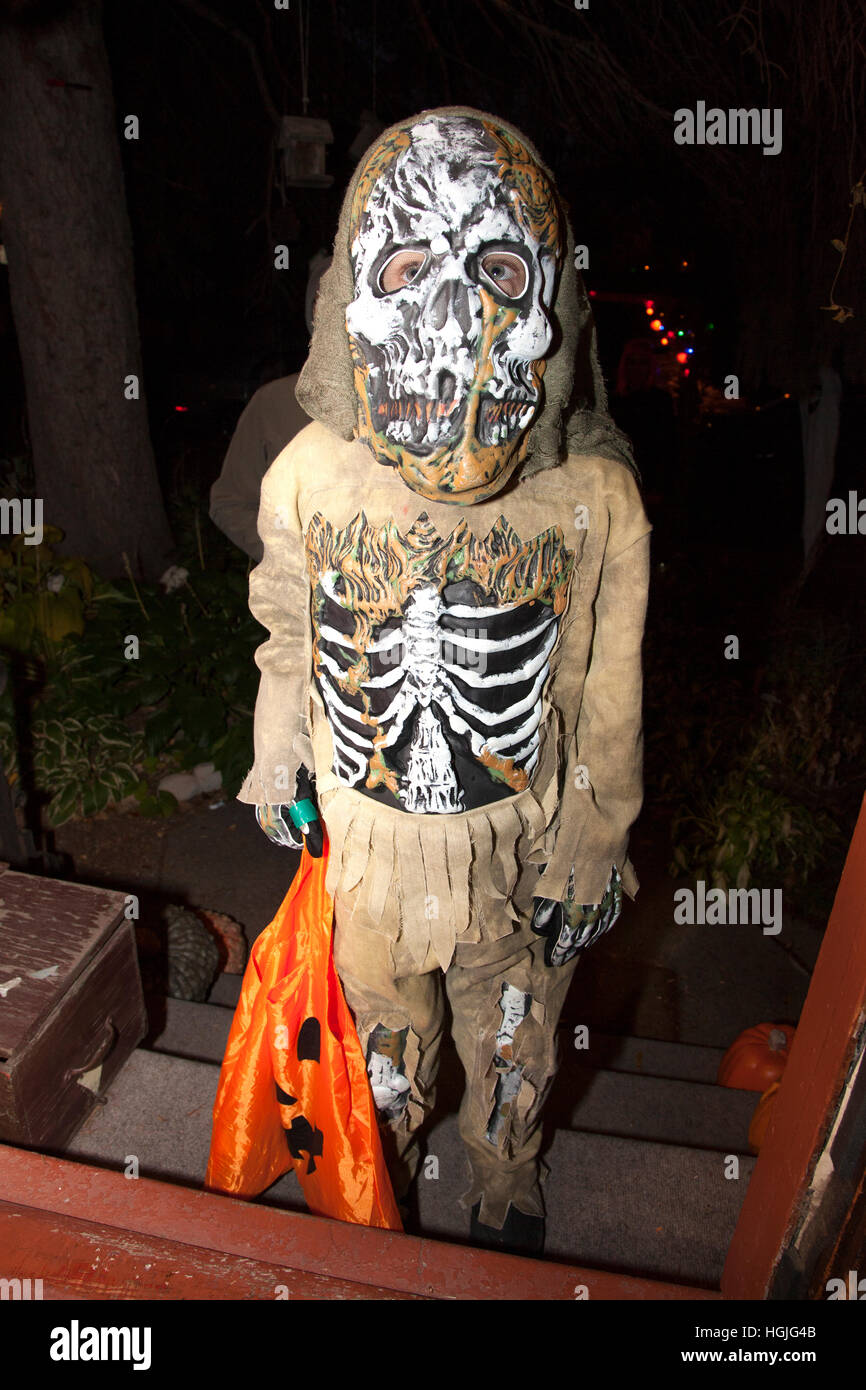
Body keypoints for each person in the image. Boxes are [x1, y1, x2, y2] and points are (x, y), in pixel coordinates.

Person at [238, 108, 651, 1256]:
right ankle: (387, 1167)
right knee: (384, 1036)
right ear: (352, 300)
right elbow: (284, 628)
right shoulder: (312, 474)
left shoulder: (592, 501)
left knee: (513, 1037)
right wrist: (279, 755)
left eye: (498, 268)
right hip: (368, 850)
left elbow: (608, 693)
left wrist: (594, 838)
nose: (455, 311)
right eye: (413, 266)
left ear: (548, 309)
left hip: (517, 852)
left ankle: (501, 1177)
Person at [208, 252, 331, 561]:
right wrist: (289, 556)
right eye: (326, 301)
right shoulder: (274, 404)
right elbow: (230, 503)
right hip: (303, 598)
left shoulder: (410, 404)